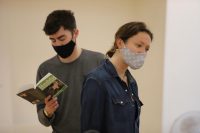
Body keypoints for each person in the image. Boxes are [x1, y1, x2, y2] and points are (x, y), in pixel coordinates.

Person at [36, 10, 105, 133]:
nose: (57, 44)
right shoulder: (45, 69)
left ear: (75, 33)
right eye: (53, 40)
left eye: (62, 38)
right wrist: (47, 111)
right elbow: (44, 120)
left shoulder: (99, 61)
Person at [81, 22, 153, 133]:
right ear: (120, 43)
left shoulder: (132, 82)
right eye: (139, 45)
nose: (142, 52)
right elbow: (90, 130)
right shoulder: (96, 80)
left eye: (147, 49)